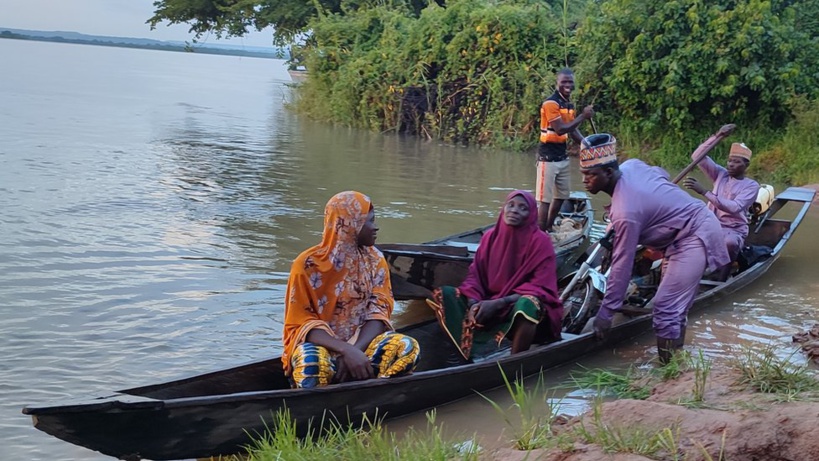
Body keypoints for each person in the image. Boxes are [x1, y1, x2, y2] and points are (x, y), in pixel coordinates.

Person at [579, 134, 730, 364]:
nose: (584, 180)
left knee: (665, 307)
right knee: (673, 309)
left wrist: (606, 313)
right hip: (676, 236)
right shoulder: (631, 165)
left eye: (590, 174)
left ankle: (666, 369)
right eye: (583, 174)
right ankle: (677, 360)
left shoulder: (626, 213)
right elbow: (662, 174)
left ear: (608, 173)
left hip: (694, 234)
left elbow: (622, 263)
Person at [281, 191, 420, 388]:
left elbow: (378, 313)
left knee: (407, 349)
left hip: (362, 344)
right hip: (322, 346)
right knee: (312, 364)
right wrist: (344, 350)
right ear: (349, 224)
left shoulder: (375, 260)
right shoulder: (307, 264)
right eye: (369, 221)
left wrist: (355, 351)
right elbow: (300, 323)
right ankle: (318, 409)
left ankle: (373, 393)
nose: (376, 227)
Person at [426, 190, 564, 361]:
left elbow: (541, 288)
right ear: (503, 208)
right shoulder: (490, 237)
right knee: (444, 294)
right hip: (487, 303)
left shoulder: (541, 242)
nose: (514, 210)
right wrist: (474, 302)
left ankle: (515, 362)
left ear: (531, 215)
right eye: (511, 205)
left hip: (516, 308)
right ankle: (466, 351)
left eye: (523, 208)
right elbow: (475, 276)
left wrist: (500, 303)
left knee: (529, 303)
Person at [683, 142, 760, 280]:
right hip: (710, 224)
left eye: (736, 162)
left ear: (746, 166)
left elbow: (734, 207)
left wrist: (704, 192)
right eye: (730, 161)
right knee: (684, 235)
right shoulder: (720, 174)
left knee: (730, 243)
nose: (731, 164)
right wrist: (718, 136)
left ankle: (722, 279)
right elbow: (697, 156)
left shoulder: (752, 186)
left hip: (734, 229)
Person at [537, 68, 594, 232]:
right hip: (547, 157)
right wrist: (583, 116)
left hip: (562, 156)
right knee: (545, 200)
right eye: (564, 82)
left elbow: (572, 130)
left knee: (561, 196)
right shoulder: (550, 104)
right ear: (557, 83)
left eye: (570, 82)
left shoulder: (568, 105)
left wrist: (587, 144)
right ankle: (540, 237)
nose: (567, 85)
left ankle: (548, 227)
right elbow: (561, 129)